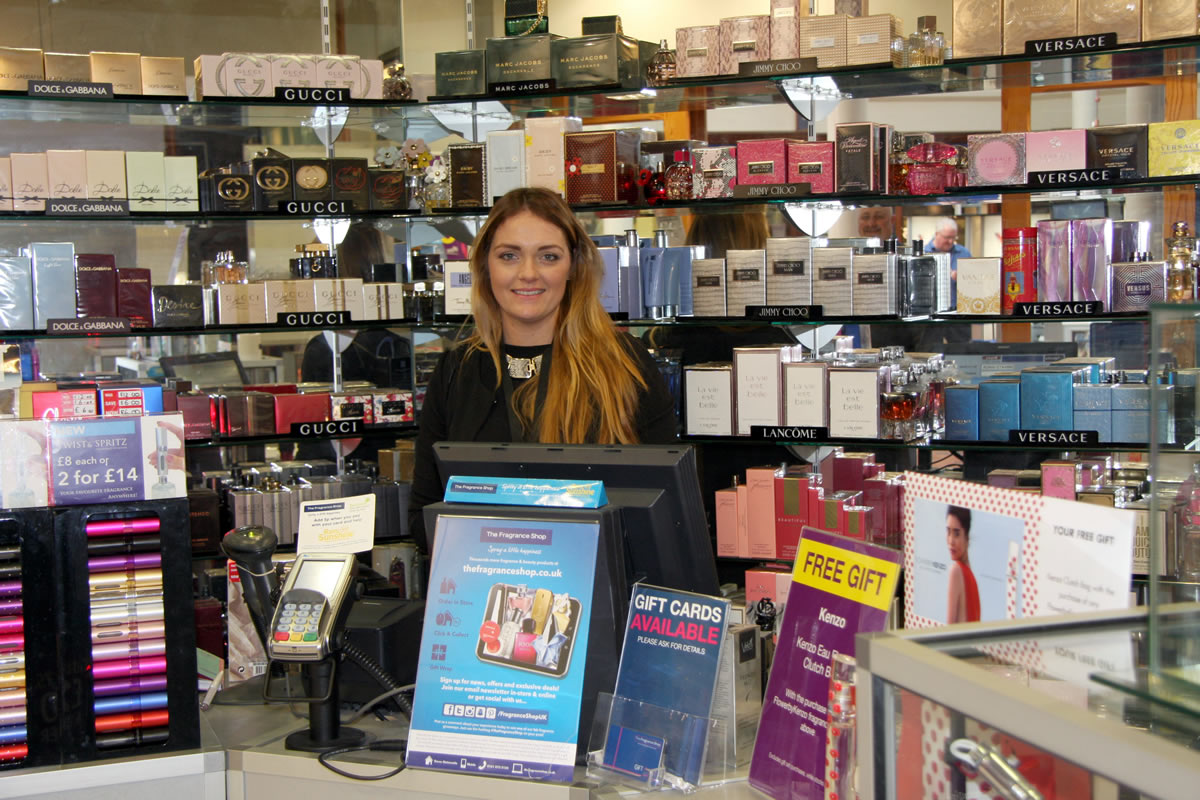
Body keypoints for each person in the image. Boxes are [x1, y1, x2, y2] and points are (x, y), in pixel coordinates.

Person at [409, 188, 678, 548]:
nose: (528, 273)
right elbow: (425, 512)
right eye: (509, 256)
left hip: (594, 587)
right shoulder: (459, 369)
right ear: (486, 267)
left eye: (548, 256)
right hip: (481, 584)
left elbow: (665, 514)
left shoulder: (625, 364)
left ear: (573, 268)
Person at [945, 505, 981, 623]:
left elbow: (948, 632)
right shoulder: (971, 578)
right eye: (948, 532)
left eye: (956, 533)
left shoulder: (956, 571)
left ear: (967, 537)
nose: (951, 541)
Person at [926, 217, 972, 306]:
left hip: (958, 309)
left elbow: (976, 284)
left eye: (953, 237)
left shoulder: (964, 253)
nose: (950, 241)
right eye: (947, 237)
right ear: (936, 234)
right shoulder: (924, 254)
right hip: (930, 309)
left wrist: (963, 278)